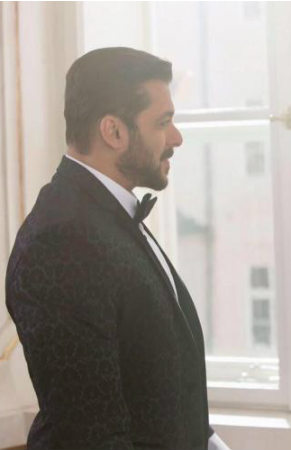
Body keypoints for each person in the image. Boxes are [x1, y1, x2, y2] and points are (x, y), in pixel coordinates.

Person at [6, 48, 229, 450]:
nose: (176, 138)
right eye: (163, 122)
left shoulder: (109, 216)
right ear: (113, 132)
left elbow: (159, 387)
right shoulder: (61, 243)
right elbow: (91, 436)